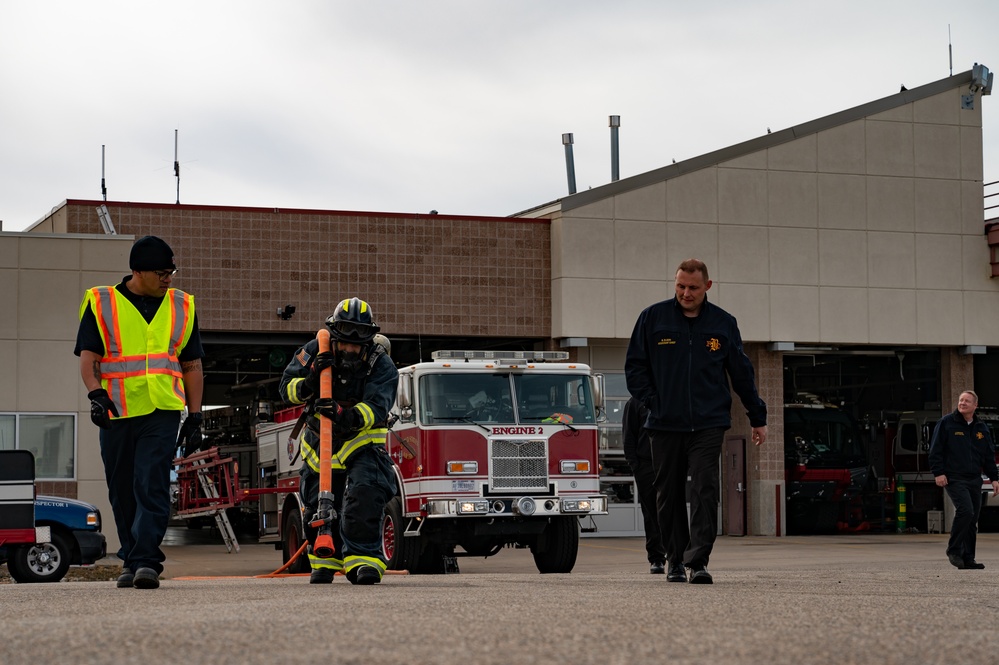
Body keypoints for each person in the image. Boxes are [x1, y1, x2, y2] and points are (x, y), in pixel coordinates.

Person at [625, 258, 767, 584]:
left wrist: (757, 417)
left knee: (705, 489)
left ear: (708, 286)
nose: (686, 293)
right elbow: (635, 367)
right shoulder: (653, 319)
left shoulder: (723, 324)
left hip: (708, 423)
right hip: (663, 423)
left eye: (693, 287)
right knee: (669, 494)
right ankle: (674, 560)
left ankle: (698, 561)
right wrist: (652, 402)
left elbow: (742, 373)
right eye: (680, 286)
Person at [75, 235, 204, 590]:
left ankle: (147, 559)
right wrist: (96, 395)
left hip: (161, 409)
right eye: (162, 272)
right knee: (122, 489)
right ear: (137, 271)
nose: (169, 278)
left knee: (151, 482)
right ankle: (131, 558)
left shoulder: (182, 305)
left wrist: (195, 416)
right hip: (116, 411)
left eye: (171, 271)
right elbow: (89, 359)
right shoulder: (102, 303)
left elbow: (191, 364)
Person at [280, 298, 398, 585]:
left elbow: (377, 407)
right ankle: (324, 561)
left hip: (361, 441)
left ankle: (364, 560)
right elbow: (286, 390)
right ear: (334, 335)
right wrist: (310, 381)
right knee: (316, 504)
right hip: (319, 440)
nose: (349, 349)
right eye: (344, 342)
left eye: (356, 345)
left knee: (364, 495)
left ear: (368, 339)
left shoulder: (380, 364)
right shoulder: (314, 350)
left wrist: (345, 416)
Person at [929, 390, 999, 570]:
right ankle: (953, 550)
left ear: (975, 405)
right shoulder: (946, 423)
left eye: (967, 401)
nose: (962, 403)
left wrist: (994, 478)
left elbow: (988, 455)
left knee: (972, 519)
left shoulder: (981, 428)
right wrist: (938, 472)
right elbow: (935, 450)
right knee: (966, 511)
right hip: (953, 478)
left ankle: (968, 558)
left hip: (974, 479)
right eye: (961, 400)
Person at [621, 397, 668, 576]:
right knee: (651, 514)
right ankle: (656, 558)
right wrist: (635, 465)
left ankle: (676, 556)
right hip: (645, 466)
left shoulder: (669, 397)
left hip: (668, 464)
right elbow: (628, 435)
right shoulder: (634, 403)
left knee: (671, 511)